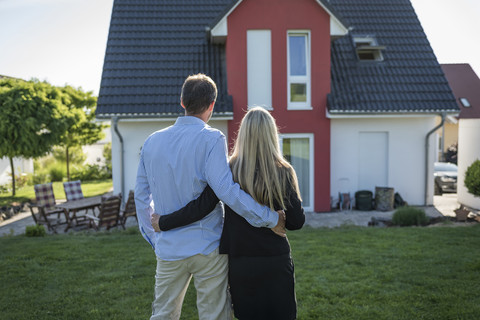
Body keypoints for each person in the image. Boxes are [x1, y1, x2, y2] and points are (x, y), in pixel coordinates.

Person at [134, 74, 286, 320]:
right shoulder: (212, 138)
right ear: (212, 105)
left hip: (169, 249)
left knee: (163, 315)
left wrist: (155, 238)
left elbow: (141, 197)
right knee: (214, 316)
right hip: (208, 249)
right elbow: (226, 191)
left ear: (182, 101)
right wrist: (269, 218)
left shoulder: (152, 142)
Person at [154, 107, 305, 319]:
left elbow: (202, 206)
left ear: (243, 134)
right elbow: (296, 222)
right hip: (275, 259)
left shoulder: (229, 169)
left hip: (240, 262)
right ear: (272, 134)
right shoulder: (283, 171)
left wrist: (164, 222)